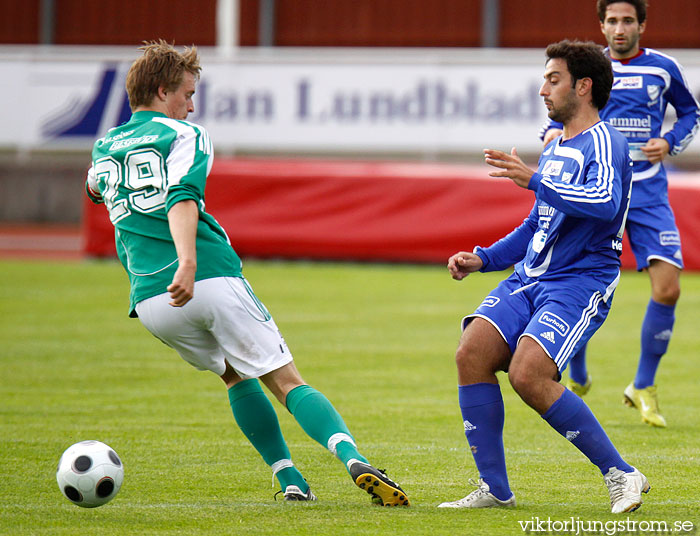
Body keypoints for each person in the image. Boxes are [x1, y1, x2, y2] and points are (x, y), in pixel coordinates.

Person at [84, 40, 409, 506]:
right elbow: (181, 198)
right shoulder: (183, 136)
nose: (192, 106)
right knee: (287, 381)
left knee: (235, 376)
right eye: (187, 94)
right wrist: (189, 261)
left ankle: (290, 478)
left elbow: (94, 188)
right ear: (162, 92)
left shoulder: (104, 147)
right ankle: (354, 459)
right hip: (204, 276)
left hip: (151, 301)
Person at [438, 40, 649, 514]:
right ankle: (495, 488)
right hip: (529, 279)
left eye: (553, 79)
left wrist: (533, 179)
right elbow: (538, 223)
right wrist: (483, 258)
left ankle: (622, 473)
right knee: (471, 352)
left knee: (528, 374)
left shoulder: (607, 142)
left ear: (584, 86)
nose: (543, 90)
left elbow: (605, 205)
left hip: (580, 282)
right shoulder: (555, 146)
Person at [540, 0, 700, 428]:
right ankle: (576, 373)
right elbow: (558, 116)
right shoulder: (586, 67)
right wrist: (552, 132)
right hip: (595, 186)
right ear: (601, 25)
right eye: (612, 20)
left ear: (642, 25)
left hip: (647, 188)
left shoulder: (663, 68)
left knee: (668, 288)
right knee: (571, 277)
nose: (620, 27)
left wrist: (669, 142)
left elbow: (690, 112)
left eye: (628, 20)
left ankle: (642, 385)